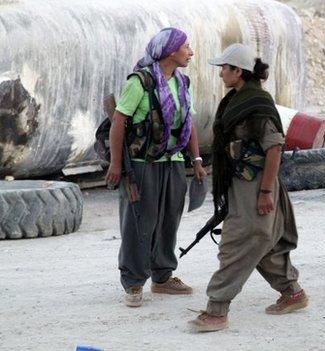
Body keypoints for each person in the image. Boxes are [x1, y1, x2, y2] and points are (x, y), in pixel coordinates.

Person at [188, 43, 307, 333]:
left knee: (239, 244)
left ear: (237, 71)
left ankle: (217, 309)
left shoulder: (258, 106)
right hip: (240, 185)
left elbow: (275, 148)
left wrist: (265, 192)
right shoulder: (236, 101)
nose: (221, 75)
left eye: (224, 69)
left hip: (255, 187)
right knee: (262, 245)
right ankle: (292, 293)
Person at [105, 27, 206, 307]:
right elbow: (118, 122)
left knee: (168, 221)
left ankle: (162, 277)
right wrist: (116, 164)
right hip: (142, 165)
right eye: (186, 47)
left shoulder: (182, 82)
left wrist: (196, 159)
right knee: (139, 222)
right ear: (171, 51)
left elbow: (189, 123)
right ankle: (134, 282)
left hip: (172, 163)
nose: (191, 52)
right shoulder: (140, 82)